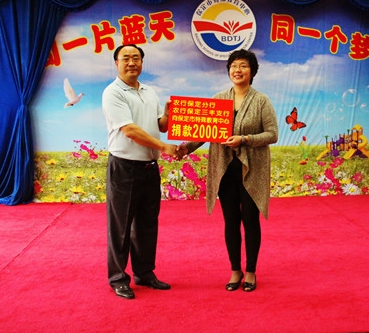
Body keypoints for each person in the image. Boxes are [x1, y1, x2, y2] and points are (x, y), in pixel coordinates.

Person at [178, 49, 278, 292]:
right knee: (230, 220)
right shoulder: (219, 98)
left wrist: (244, 139)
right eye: (233, 65)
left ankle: (251, 271)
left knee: (250, 219)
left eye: (243, 65)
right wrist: (185, 148)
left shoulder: (261, 100)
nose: (237, 70)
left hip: (252, 169)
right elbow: (205, 131)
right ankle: (235, 270)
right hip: (224, 168)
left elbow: (272, 134)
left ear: (252, 71)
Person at [102, 43, 179, 299]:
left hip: (149, 168)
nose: (131, 62)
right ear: (116, 63)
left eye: (136, 58)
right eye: (126, 58)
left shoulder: (149, 91)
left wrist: (167, 114)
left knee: (147, 225)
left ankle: (144, 273)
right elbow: (130, 130)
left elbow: (160, 126)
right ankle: (118, 278)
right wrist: (163, 147)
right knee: (121, 227)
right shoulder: (113, 92)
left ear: (142, 63)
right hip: (124, 167)